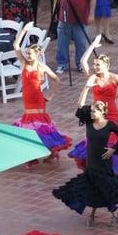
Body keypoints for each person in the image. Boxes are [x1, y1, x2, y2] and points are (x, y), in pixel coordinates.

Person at [52, 85, 118, 227]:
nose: (92, 113)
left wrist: (113, 150)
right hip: (91, 161)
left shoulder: (110, 125)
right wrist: (86, 89)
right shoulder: (89, 122)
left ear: (102, 112)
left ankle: (112, 213)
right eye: (92, 111)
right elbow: (80, 106)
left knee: (102, 186)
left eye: (95, 111)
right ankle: (96, 215)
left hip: (103, 162)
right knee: (93, 187)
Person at [68, 36, 118, 176]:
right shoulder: (93, 77)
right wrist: (92, 46)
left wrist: (114, 97)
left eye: (98, 65)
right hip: (96, 113)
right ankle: (97, 166)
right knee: (96, 139)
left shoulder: (115, 78)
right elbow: (83, 61)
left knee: (110, 141)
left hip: (112, 113)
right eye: (94, 65)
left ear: (107, 66)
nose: (95, 67)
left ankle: (112, 168)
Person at [12, 22, 72, 161]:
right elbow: (16, 46)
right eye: (27, 53)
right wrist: (24, 31)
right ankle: (33, 153)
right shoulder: (24, 64)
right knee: (29, 125)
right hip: (27, 99)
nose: (27, 55)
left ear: (37, 54)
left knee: (39, 125)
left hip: (39, 99)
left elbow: (56, 79)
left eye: (30, 53)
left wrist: (51, 95)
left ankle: (49, 150)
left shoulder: (42, 67)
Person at [55, 0, 96, 74]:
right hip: (64, 18)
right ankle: (62, 64)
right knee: (62, 43)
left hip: (80, 18)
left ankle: (80, 64)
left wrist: (91, 14)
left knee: (81, 43)